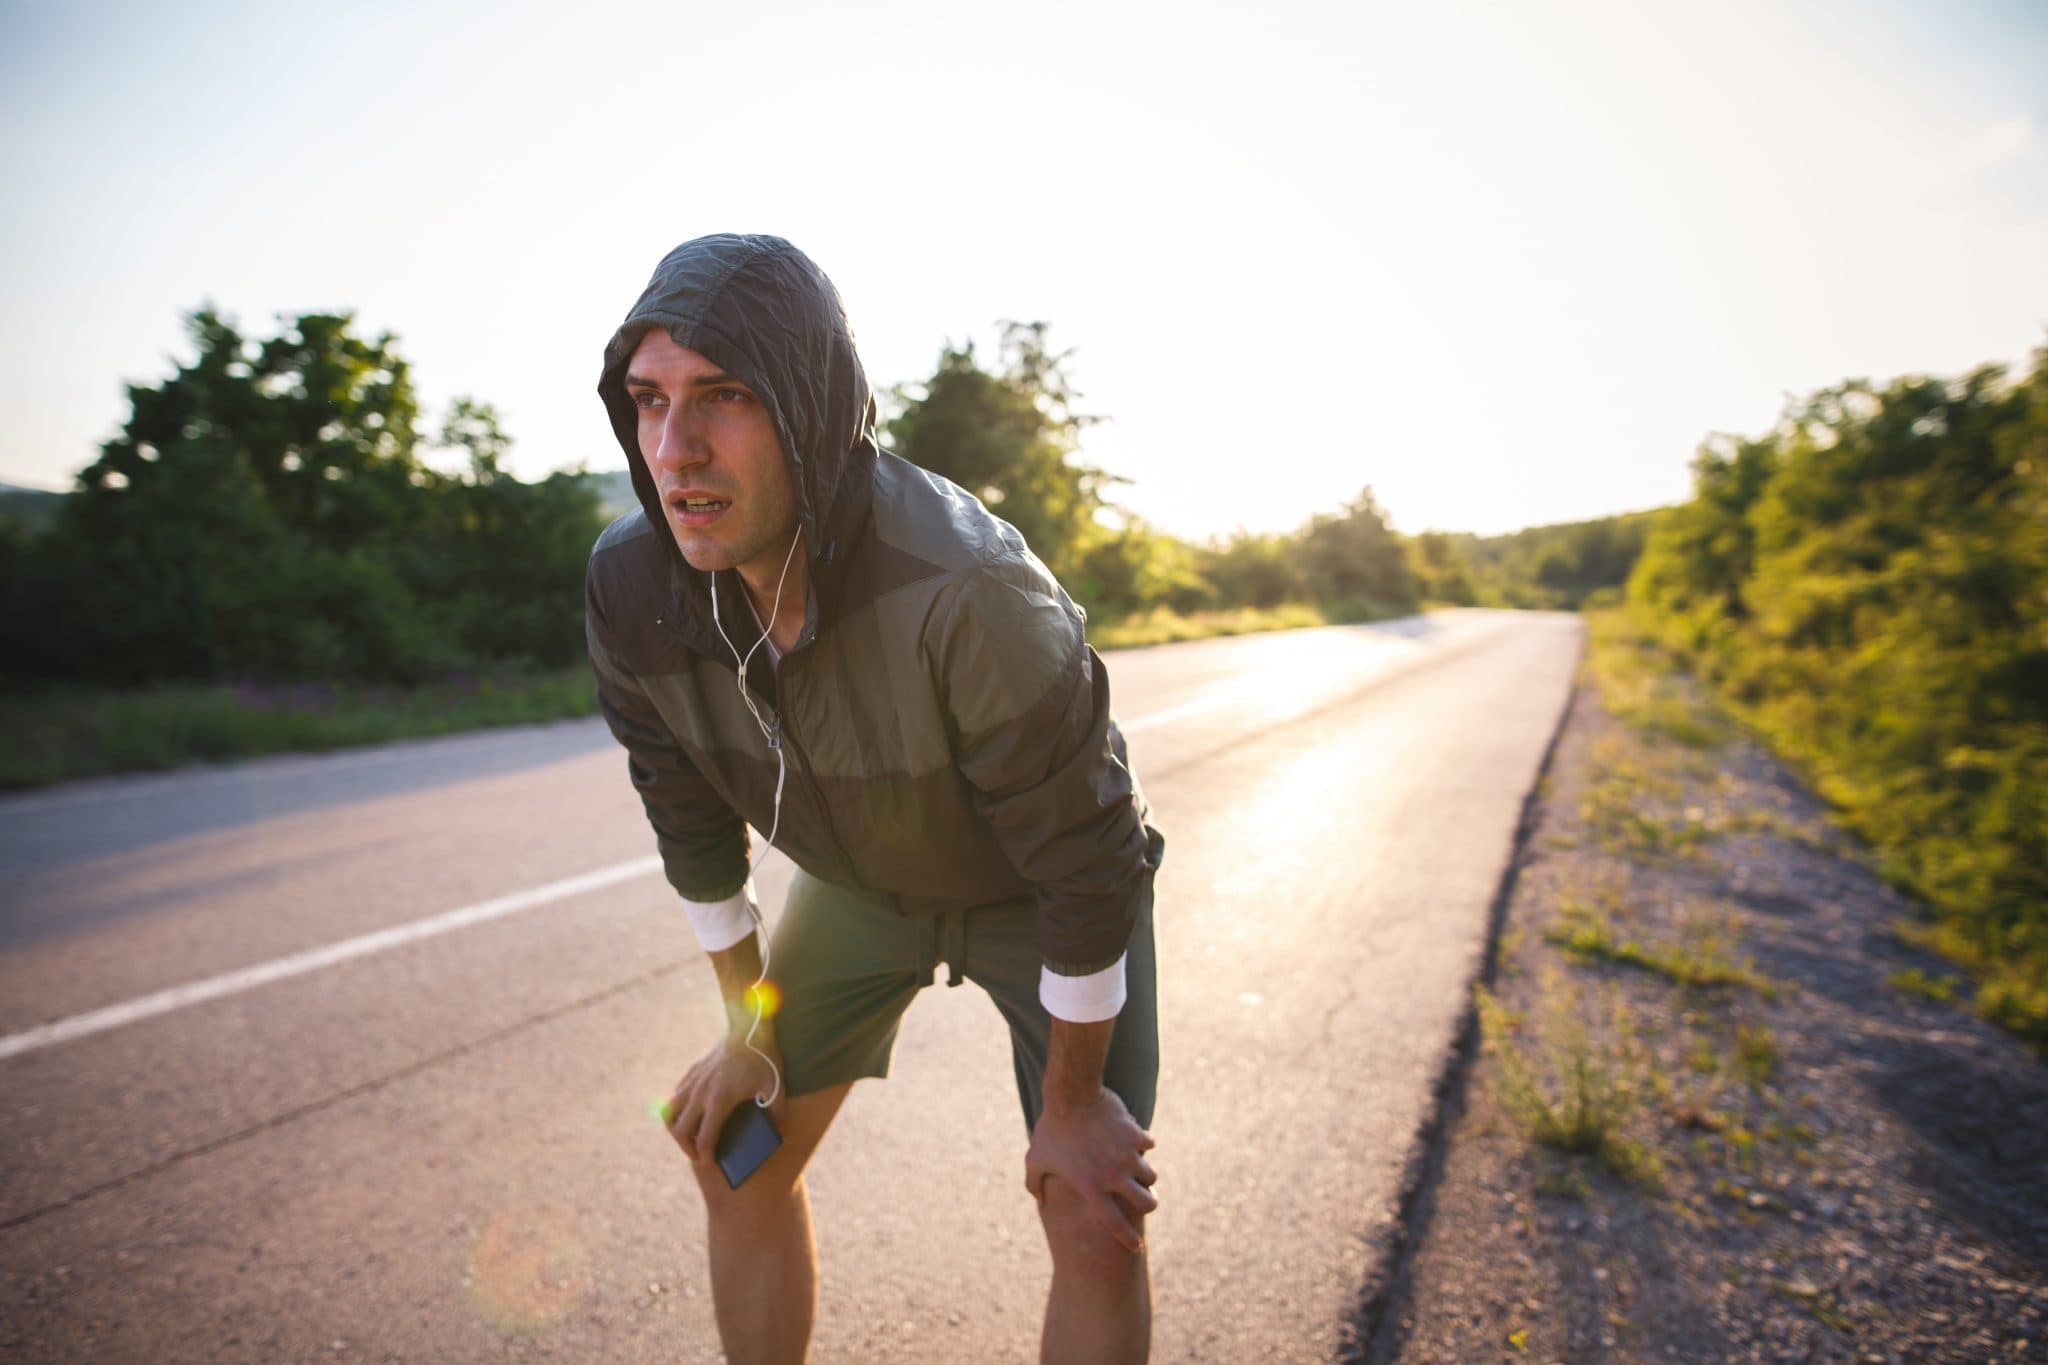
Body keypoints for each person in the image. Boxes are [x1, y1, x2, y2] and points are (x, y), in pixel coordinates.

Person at [584, 232, 1165, 1364]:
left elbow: (1087, 861)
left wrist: (1078, 1101)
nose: (675, 448)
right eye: (647, 400)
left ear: (807, 406)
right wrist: (745, 1031)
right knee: (730, 1144)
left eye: (724, 396)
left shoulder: (968, 586)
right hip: (858, 889)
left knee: (1091, 1209)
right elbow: (690, 824)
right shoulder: (631, 585)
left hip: (1038, 897)